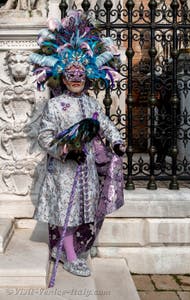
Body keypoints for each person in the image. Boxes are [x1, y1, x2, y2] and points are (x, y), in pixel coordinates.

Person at [29, 10, 125, 283]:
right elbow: (44, 137)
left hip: (87, 168)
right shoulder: (55, 105)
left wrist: (116, 141)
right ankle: (70, 256)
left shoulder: (92, 103)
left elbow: (104, 123)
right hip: (64, 170)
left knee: (82, 210)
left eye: (80, 73)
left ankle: (66, 249)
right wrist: (64, 150)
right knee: (66, 213)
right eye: (70, 73)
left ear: (88, 75)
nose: (75, 78)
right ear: (62, 75)